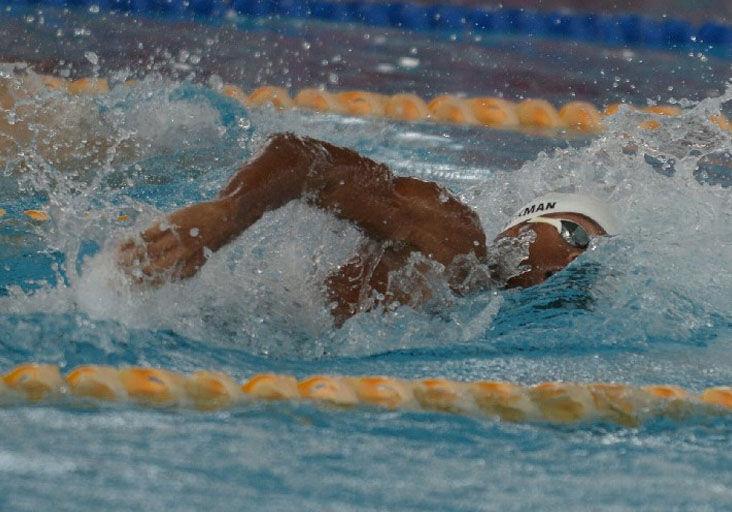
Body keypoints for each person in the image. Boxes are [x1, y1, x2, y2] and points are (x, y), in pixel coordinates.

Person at [118, 133, 617, 325]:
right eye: (575, 235)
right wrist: (227, 215)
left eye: (593, 260)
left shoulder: (478, 314)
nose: (577, 263)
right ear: (522, 229)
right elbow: (307, 160)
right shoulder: (453, 234)